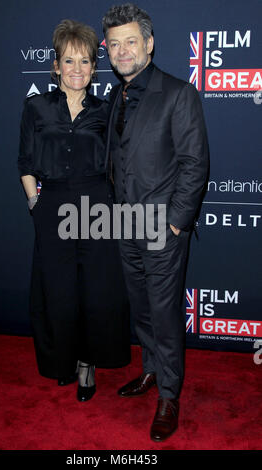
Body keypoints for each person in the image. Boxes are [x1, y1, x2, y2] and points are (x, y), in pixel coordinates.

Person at [102, 3, 209, 440]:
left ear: (148, 44)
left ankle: (169, 393)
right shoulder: (116, 95)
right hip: (125, 223)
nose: (122, 51)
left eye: (131, 41)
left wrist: (176, 225)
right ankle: (150, 372)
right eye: (114, 44)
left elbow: (194, 164)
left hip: (162, 228)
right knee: (142, 309)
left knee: (164, 315)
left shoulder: (179, 93)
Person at [18, 19, 130, 402]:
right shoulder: (35, 107)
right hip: (52, 207)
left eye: (85, 62)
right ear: (55, 66)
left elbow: (120, 161)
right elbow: (25, 163)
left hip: (97, 205)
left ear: (94, 68)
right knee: (59, 291)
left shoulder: (106, 108)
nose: (77, 70)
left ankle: (87, 365)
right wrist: (37, 204)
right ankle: (62, 361)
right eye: (69, 61)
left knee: (95, 292)